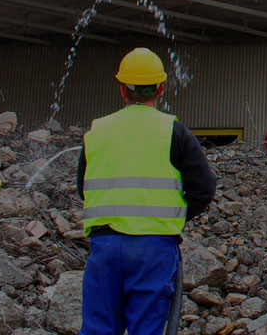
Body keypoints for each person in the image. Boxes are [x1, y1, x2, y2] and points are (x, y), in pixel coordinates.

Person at [76, 47, 216, 335]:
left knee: (98, 328)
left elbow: (84, 188)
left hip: (104, 246)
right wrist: (168, 216)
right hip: (154, 248)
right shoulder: (175, 132)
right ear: (161, 88)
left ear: (122, 89)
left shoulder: (97, 131)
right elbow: (203, 189)